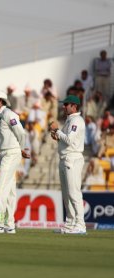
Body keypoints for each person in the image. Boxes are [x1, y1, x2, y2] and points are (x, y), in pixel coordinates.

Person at [0, 90, 30, 234]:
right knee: (9, 190)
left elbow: (21, 133)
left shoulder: (9, 114)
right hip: (5, 153)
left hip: (10, 153)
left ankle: (0, 222)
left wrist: (20, 148)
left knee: (1, 186)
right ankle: (9, 224)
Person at [49, 95, 86, 234]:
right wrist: (57, 137)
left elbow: (70, 140)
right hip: (64, 158)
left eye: (66, 104)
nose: (63, 106)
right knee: (66, 194)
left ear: (74, 106)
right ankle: (70, 224)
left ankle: (80, 225)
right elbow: (66, 140)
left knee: (73, 192)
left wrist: (57, 130)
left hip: (73, 159)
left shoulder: (77, 120)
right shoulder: (70, 120)